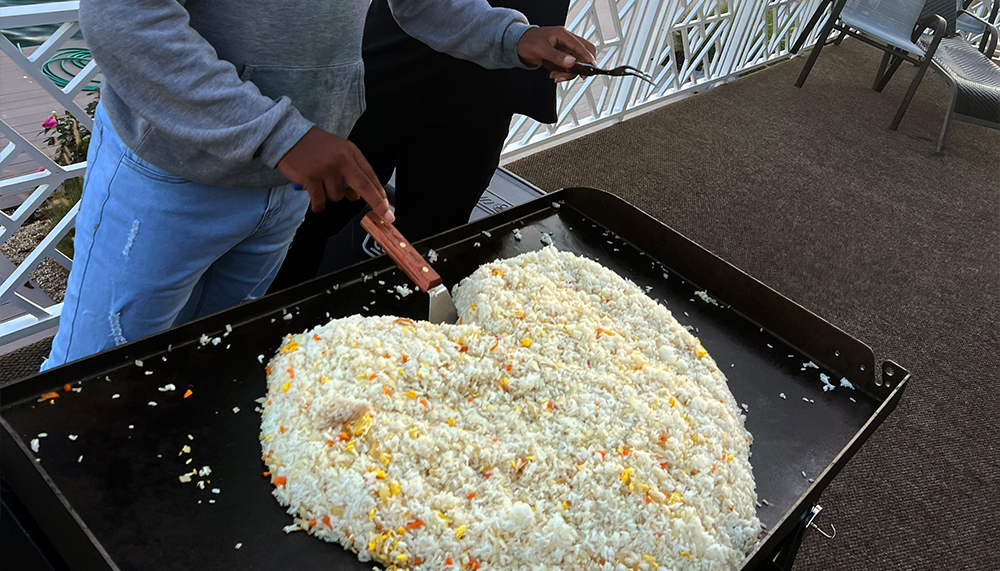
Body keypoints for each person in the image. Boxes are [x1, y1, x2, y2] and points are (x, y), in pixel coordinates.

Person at [43, 0, 596, 370]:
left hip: (287, 183)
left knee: (212, 352)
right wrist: (280, 136)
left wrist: (512, 36)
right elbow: (125, 20)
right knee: (94, 368)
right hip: (174, 173)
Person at [270, 0, 592, 290]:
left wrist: (527, 41)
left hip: (486, 94)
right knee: (306, 223)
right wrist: (514, 36)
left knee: (430, 248)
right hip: (390, 72)